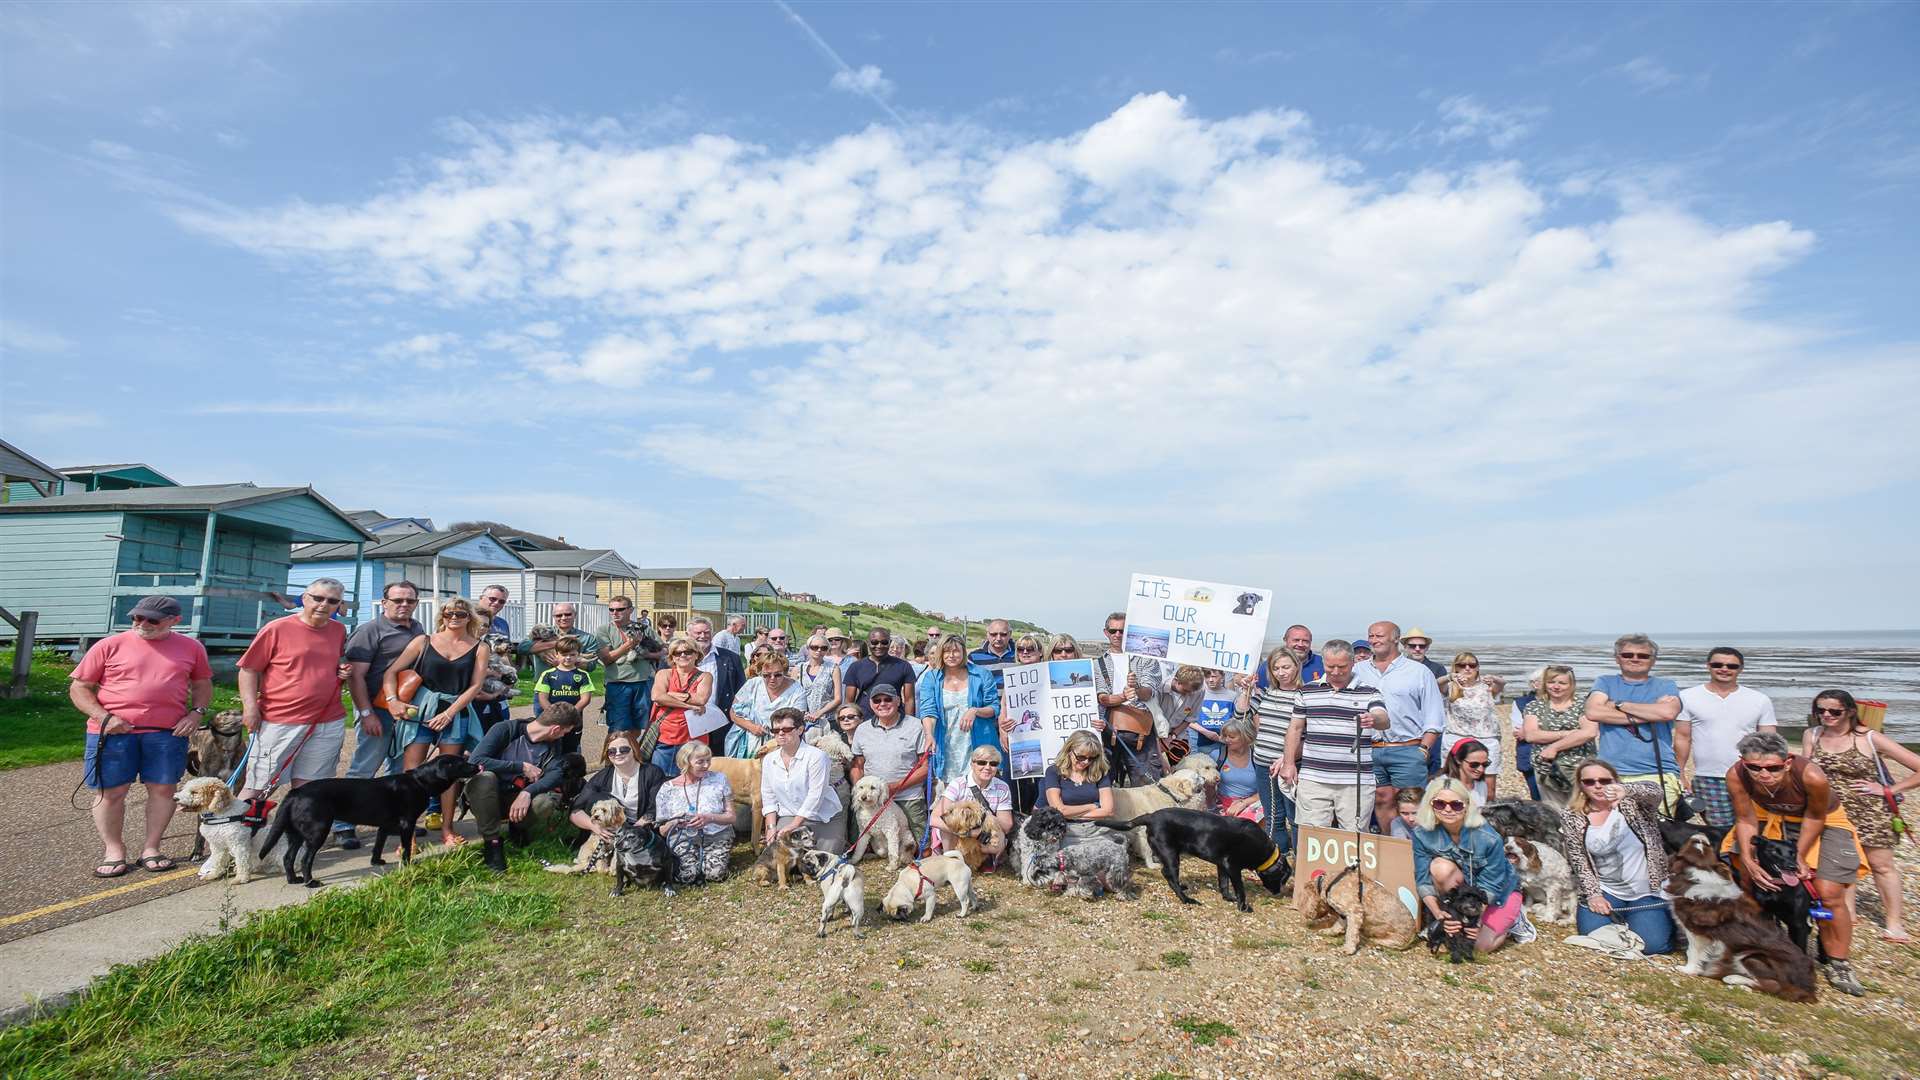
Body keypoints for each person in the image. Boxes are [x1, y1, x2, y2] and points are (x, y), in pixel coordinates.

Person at [69, 595, 212, 877]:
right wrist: (104, 717)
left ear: (174, 621)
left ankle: (152, 847)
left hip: (166, 733)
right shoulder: (109, 645)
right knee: (111, 792)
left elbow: (202, 683)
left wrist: (196, 714)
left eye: (152, 620)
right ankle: (114, 850)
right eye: (137, 617)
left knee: (163, 790)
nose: (142, 623)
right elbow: (80, 688)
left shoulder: (192, 647)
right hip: (111, 733)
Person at [1726, 731, 1868, 995]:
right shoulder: (1737, 774)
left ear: (1788, 762)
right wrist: (1747, 857)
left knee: (1828, 892)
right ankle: (1768, 942)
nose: (1763, 774)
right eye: (1754, 767)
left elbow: (1815, 817)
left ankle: (1839, 962)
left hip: (1824, 821)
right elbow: (1745, 818)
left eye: (1773, 768)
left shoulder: (1811, 776)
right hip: (1768, 815)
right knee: (1746, 876)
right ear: (1743, 762)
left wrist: (1798, 856)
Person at [1800, 690, 1920, 944]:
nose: (1826, 716)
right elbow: (1804, 768)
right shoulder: (1812, 734)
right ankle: (1848, 914)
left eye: (1834, 711)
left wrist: (1888, 789)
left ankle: (1894, 924)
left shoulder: (1869, 738)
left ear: (1851, 712)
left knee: (1881, 866)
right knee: (1840, 863)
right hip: (1829, 811)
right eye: (1820, 711)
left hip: (1870, 812)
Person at [382, 597, 490, 847]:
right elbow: (390, 672)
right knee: (411, 775)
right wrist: (392, 700)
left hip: (454, 712)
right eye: (449, 612)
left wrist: (450, 712)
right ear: (442, 615)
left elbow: (475, 686)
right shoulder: (423, 641)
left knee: (448, 776)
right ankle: (407, 836)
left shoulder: (480, 647)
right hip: (419, 711)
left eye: (461, 613)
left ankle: (447, 829)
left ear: (469, 617)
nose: (455, 617)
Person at [332, 580, 427, 849]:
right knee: (364, 768)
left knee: (398, 770)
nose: (404, 605)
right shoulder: (369, 631)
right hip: (377, 710)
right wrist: (366, 713)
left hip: (404, 710)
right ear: (384, 603)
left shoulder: (416, 628)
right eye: (397, 600)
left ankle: (395, 820)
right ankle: (343, 824)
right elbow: (356, 677)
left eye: (409, 600)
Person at [237, 578, 349, 803]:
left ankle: (297, 836)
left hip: (327, 720)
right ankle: (235, 834)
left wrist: (341, 672)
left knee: (312, 788)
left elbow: (325, 664)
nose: (323, 605)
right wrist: (250, 708)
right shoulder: (277, 628)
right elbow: (248, 670)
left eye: (331, 601)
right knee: (259, 785)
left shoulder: (338, 630)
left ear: (339, 605)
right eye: (317, 598)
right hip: (280, 719)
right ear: (304, 598)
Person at [1561, 759, 1677, 955]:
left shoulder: (1634, 804)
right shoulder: (1572, 815)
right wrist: (1593, 894)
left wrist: (1626, 790)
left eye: (1604, 780)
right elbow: (1578, 858)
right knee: (1592, 934)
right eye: (1589, 781)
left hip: (1648, 891)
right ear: (1580, 786)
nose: (1597, 786)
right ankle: (1626, 924)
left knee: (1653, 945)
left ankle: (1641, 922)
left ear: (1615, 780)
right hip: (1607, 890)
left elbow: (1655, 790)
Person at [1281, 640, 1389, 831]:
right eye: (1331, 667)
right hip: (1314, 778)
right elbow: (1295, 729)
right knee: (1312, 836)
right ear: (1323, 663)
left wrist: (1373, 718)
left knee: (1354, 837)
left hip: (1355, 782)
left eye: (1342, 667)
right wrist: (1289, 763)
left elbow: (1384, 719)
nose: (1336, 672)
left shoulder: (1369, 692)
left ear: (1353, 663)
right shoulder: (1307, 691)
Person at [1412, 778, 1525, 955]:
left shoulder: (1487, 837)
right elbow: (1422, 880)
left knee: (1478, 947)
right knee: (1440, 867)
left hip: (1499, 892)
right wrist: (1440, 915)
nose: (1447, 809)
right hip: (1463, 890)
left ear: (1466, 805)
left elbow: (1491, 886)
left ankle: (1513, 922)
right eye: (1440, 803)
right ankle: (1455, 916)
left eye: (1456, 805)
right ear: (1430, 805)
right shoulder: (1422, 834)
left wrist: (1478, 921)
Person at [468, 703, 587, 871]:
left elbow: (556, 774)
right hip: (487, 797)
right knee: (485, 778)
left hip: (518, 798)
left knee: (546, 800)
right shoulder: (505, 729)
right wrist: (521, 767)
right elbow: (476, 761)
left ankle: (518, 827)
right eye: (565, 732)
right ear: (555, 730)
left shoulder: (552, 745)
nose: (564, 736)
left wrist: (527, 792)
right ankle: (492, 842)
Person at [1584, 634, 1687, 814]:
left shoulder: (1665, 685)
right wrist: (1652, 712)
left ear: (1653, 660)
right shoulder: (1605, 682)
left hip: (1657, 772)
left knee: (1656, 833)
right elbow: (1593, 712)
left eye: (1643, 655)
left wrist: (1619, 705)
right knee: (1612, 832)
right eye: (1627, 655)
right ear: (1617, 658)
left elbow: (1668, 712)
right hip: (1611, 773)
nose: (1635, 659)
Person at [1679, 647, 1777, 829]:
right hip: (1708, 777)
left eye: (1731, 665)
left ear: (1741, 669)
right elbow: (1683, 738)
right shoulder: (1687, 697)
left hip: (1751, 775)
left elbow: (1770, 742)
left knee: (1755, 828)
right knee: (1720, 831)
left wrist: (1770, 773)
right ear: (1708, 666)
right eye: (1718, 664)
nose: (1724, 669)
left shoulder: (1759, 699)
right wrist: (1681, 773)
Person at [1348, 621, 1446, 799]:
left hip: (1407, 749)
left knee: (1411, 805)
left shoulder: (1419, 672)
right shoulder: (1356, 670)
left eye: (1379, 636)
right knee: (1380, 803)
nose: (1374, 640)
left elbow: (1434, 715)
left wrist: (1423, 750)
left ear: (1396, 639)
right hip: (1369, 750)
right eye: (1371, 636)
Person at [1236, 646, 1304, 851]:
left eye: (1286, 667)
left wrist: (1287, 759)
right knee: (1273, 814)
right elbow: (1241, 716)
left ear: (1296, 666)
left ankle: (1300, 860)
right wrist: (1245, 691)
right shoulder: (1266, 693)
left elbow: (1306, 734)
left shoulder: (1305, 694)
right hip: (1263, 763)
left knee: (1295, 815)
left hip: (1290, 764)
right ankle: (1278, 857)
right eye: (1276, 668)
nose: (1281, 673)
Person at [849, 684, 930, 847]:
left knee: (921, 848)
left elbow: (925, 767)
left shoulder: (915, 725)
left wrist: (896, 787)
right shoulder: (862, 729)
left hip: (907, 795)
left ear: (898, 701)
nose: (882, 704)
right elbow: (857, 765)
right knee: (857, 845)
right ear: (871, 704)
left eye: (888, 699)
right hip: (873, 799)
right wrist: (860, 790)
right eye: (877, 700)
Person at [917, 633, 1002, 786]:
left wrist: (975, 711)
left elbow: (994, 707)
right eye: (946, 651)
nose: (951, 655)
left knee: (980, 791)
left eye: (956, 651)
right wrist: (929, 734)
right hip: (947, 742)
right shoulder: (932, 678)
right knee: (951, 794)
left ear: (963, 652)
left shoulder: (982, 674)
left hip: (978, 741)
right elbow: (928, 710)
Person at [759, 707, 847, 852]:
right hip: (790, 815)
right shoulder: (769, 760)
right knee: (784, 858)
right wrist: (770, 828)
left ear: (800, 730)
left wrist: (794, 825)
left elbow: (816, 795)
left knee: (825, 861)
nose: (780, 733)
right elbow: (768, 796)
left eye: (786, 729)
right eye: (776, 730)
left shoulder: (817, 756)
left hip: (824, 816)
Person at [1094, 611, 1163, 784]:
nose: (1117, 635)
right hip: (1108, 728)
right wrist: (1124, 695)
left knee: (1148, 786)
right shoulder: (1097, 664)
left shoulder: (1146, 659)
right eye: (1113, 631)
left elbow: (1150, 691)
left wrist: (1137, 689)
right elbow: (1102, 697)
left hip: (1141, 728)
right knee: (1103, 785)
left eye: (1122, 631)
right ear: (1106, 632)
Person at [656, 741, 735, 884]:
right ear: (685, 763)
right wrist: (675, 822)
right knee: (686, 876)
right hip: (684, 838)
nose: (706, 765)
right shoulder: (667, 789)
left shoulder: (719, 779)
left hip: (717, 835)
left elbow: (731, 817)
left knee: (714, 875)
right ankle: (698, 862)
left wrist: (710, 818)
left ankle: (713, 859)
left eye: (708, 761)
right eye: (700, 762)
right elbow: (662, 830)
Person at [570, 728, 666, 845]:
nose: (618, 753)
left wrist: (632, 831)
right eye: (612, 751)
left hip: (642, 828)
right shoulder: (603, 776)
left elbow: (655, 809)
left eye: (624, 749)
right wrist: (595, 827)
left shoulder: (652, 773)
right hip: (611, 828)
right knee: (594, 798)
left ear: (634, 749)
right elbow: (575, 810)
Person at [931, 745, 1014, 861]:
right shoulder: (958, 784)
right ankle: (949, 860)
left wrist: (983, 827)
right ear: (972, 764)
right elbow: (934, 819)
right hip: (956, 832)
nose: (987, 767)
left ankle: (982, 860)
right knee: (946, 827)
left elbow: (1006, 825)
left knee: (998, 840)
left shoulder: (1002, 787)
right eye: (981, 763)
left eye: (993, 764)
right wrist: (966, 832)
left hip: (982, 832)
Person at [1524, 665, 1595, 799]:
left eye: (1562, 683)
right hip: (1547, 769)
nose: (1556, 687)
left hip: (1580, 769)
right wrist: (1569, 734)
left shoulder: (1583, 704)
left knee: (1582, 810)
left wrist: (1554, 747)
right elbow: (1531, 735)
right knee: (1554, 813)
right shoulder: (1534, 706)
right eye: (1551, 682)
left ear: (1571, 685)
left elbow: (1589, 733)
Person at [597, 597, 663, 739]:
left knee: (638, 726)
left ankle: (630, 758)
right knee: (617, 728)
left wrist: (647, 654)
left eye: (620, 609)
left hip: (643, 682)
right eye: (611, 609)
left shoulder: (644, 628)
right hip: (617, 684)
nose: (615, 612)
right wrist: (630, 645)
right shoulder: (604, 630)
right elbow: (606, 658)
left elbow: (664, 651)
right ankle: (611, 759)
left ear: (630, 610)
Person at [1040, 730, 1120, 846]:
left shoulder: (1100, 773)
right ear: (1069, 751)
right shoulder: (1053, 772)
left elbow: (1109, 810)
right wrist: (1093, 806)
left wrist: (1070, 813)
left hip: (1097, 830)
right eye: (1081, 757)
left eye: (1092, 758)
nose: (1086, 762)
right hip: (1065, 831)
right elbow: (1058, 810)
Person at [1441, 652, 1505, 799]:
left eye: (1472, 665)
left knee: (1488, 788)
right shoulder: (1451, 687)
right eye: (1462, 665)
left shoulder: (1486, 686)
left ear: (1477, 667)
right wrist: (1450, 677)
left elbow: (1502, 684)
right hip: (1456, 738)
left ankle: (1485, 817)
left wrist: (1493, 678)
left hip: (1486, 738)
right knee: (1454, 784)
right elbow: (1436, 683)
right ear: (1456, 668)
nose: (1467, 668)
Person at [649, 639, 713, 778]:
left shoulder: (705, 676)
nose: (682, 655)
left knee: (693, 780)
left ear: (696, 655)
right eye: (677, 653)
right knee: (659, 780)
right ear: (672, 657)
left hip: (694, 738)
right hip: (665, 737)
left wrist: (669, 695)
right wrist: (689, 705)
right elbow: (657, 696)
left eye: (688, 652)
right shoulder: (664, 674)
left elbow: (701, 699)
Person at [728, 649, 807, 758]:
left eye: (778, 675)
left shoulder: (797, 690)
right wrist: (751, 727)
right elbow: (733, 712)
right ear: (760, 673)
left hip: (782, 744)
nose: (772, 679)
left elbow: (797, 720)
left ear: (785, 672)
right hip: (749, 743)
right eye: (766, 675)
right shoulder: (753, 684)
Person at [686, 617, 747, 753]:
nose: (703, 636)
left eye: (707, 632)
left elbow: (742, 692)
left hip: (721, 724)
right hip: (687, 725)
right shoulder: (678, 657)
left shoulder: (731, 658)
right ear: (688, 634)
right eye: (698, 633)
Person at [844, 627, 917, 719]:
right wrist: (850, 719)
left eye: (884, 642)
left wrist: (909, 724)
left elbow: (909, 699)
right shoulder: (856, 667)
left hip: (895, 720)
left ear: (889, 643)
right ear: (868, 643)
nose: (879, 646)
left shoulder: (903, 666)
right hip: (864, 720)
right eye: (874, 642)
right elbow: (849, 700)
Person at [473, 585, 514, 733]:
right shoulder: (466, 619)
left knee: (499, 731)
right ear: (481, 598)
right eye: (492, 599)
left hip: (497, 686)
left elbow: (505, 655)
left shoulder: (502, 624)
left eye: (501, 601)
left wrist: (510, 680)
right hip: (475, 689)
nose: (496, 603)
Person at [1214, 718, 1262, 822]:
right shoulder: (1217, 755)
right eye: (1225, 736)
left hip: (1251, 802)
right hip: (1223, 804)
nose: (1227, 740)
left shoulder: (1258, 757)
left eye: (1232, 737)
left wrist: (1243, 803)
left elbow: (1266, 791)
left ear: (1246, 737)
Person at [1508, 668, 1545, 800]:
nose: (1553, 684)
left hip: (1558, 758)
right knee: (1537, 797)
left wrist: (1532, 730)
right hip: (1529, 757)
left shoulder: (1561, 702)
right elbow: (1519, 733)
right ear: (1535, 684)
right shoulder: (1521, 703)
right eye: (1547, 680)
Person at [534, 637, 593, 719]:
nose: (568, 657)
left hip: (574, 717)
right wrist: (553, 713)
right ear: (557, 654)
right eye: (564, 655)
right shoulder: (547, 674)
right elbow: (543, 698)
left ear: (578, 655)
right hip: (552, 717)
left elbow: (585, 699)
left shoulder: (583, 675)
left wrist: (573, 712)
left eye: (572, 655)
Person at [1156, 665, 1206, 762]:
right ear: (1176, 680)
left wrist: (1172, 736)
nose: (1189, 694)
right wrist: (1159, 741)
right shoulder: (1160, 687)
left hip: (1178, 736)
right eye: (1186, 690)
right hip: (1155, 736)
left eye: (1192, 692)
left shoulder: (1199, 692)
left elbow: (1189, 719)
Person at [796, 633, 844, 729]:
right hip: (802, 720)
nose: (819, 650)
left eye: (823, 648)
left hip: (826, 720)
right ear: (808, 648)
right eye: (815, 647)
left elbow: (838, 698)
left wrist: (819, 713)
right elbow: (793, 696)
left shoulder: (833, 668)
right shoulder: (798, 669)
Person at [1442, 738, 1493, 806]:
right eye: (1474, 764)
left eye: (1485, 764)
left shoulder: (1481, 785)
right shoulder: (1440, 785)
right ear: (1458, 760)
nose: (1481, 769)